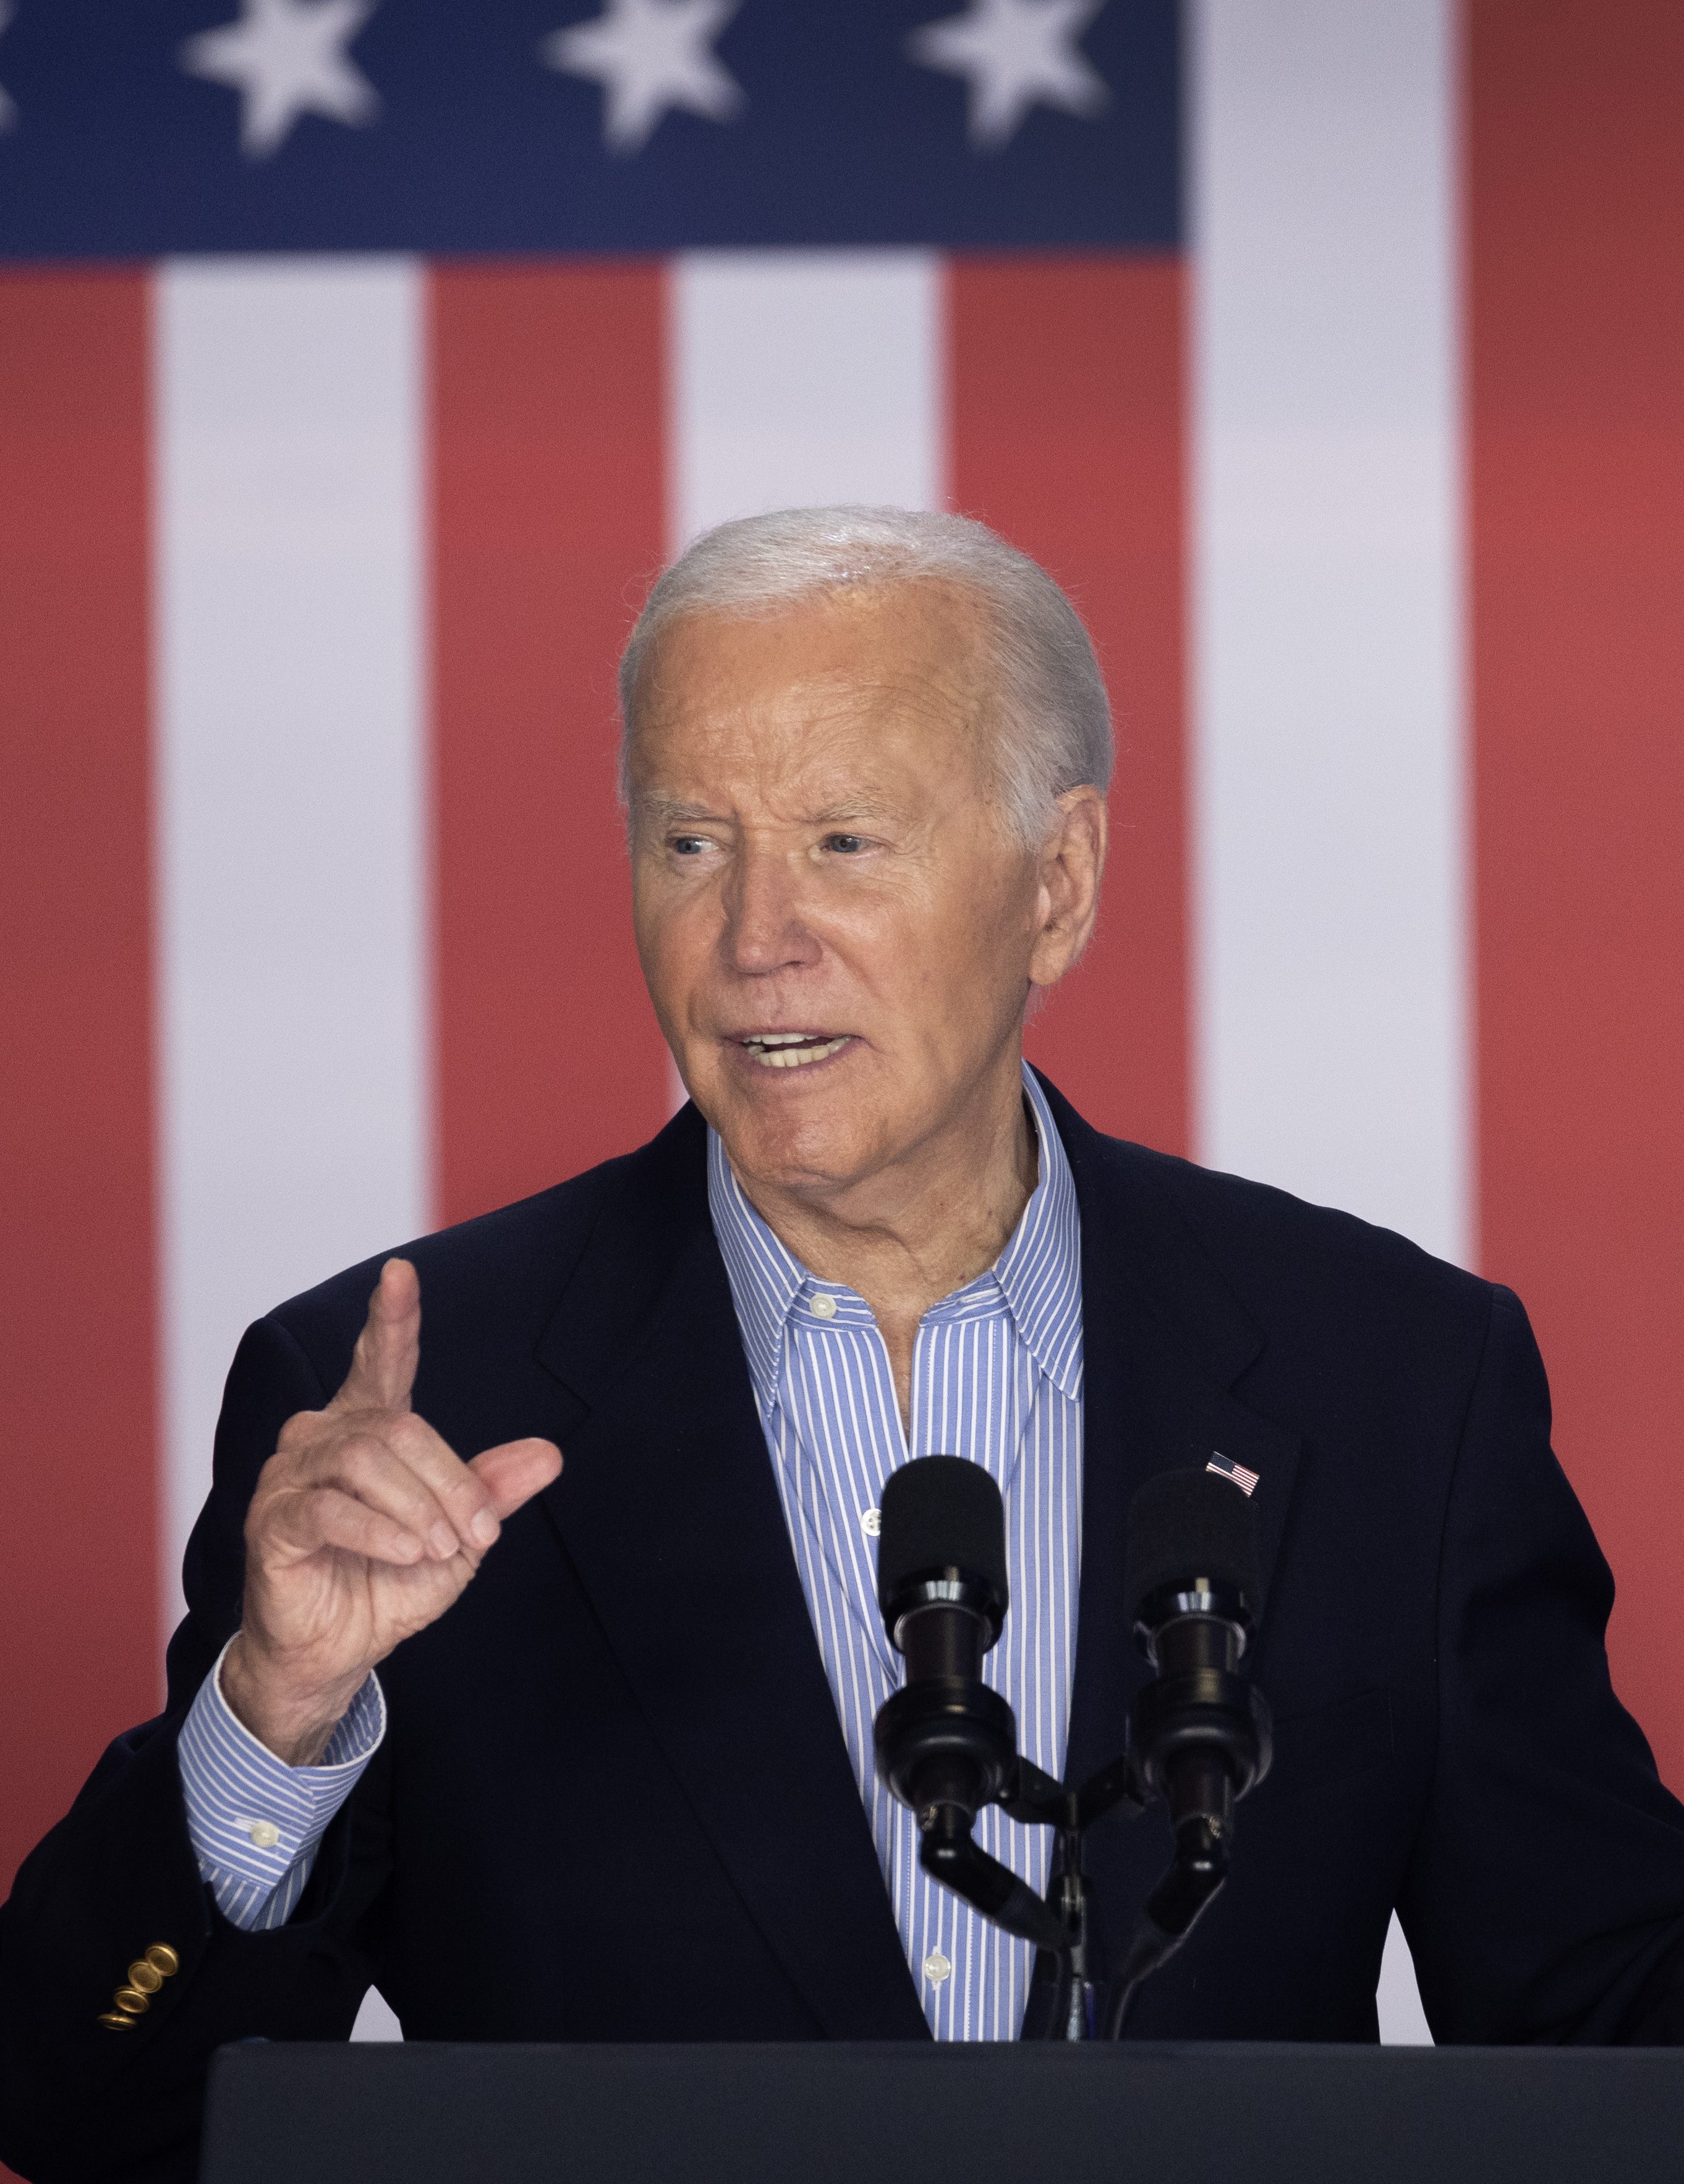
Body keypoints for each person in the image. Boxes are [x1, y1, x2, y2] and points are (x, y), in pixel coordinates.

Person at [4, 506, 1683, 2184]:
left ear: (1059, 881)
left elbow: (1618, 2029)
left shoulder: (1391, 1381)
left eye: (844, 844)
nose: (749, 941)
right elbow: (87, 2115)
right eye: (688, 844)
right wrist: (277, 1710)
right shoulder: (406, 1404)